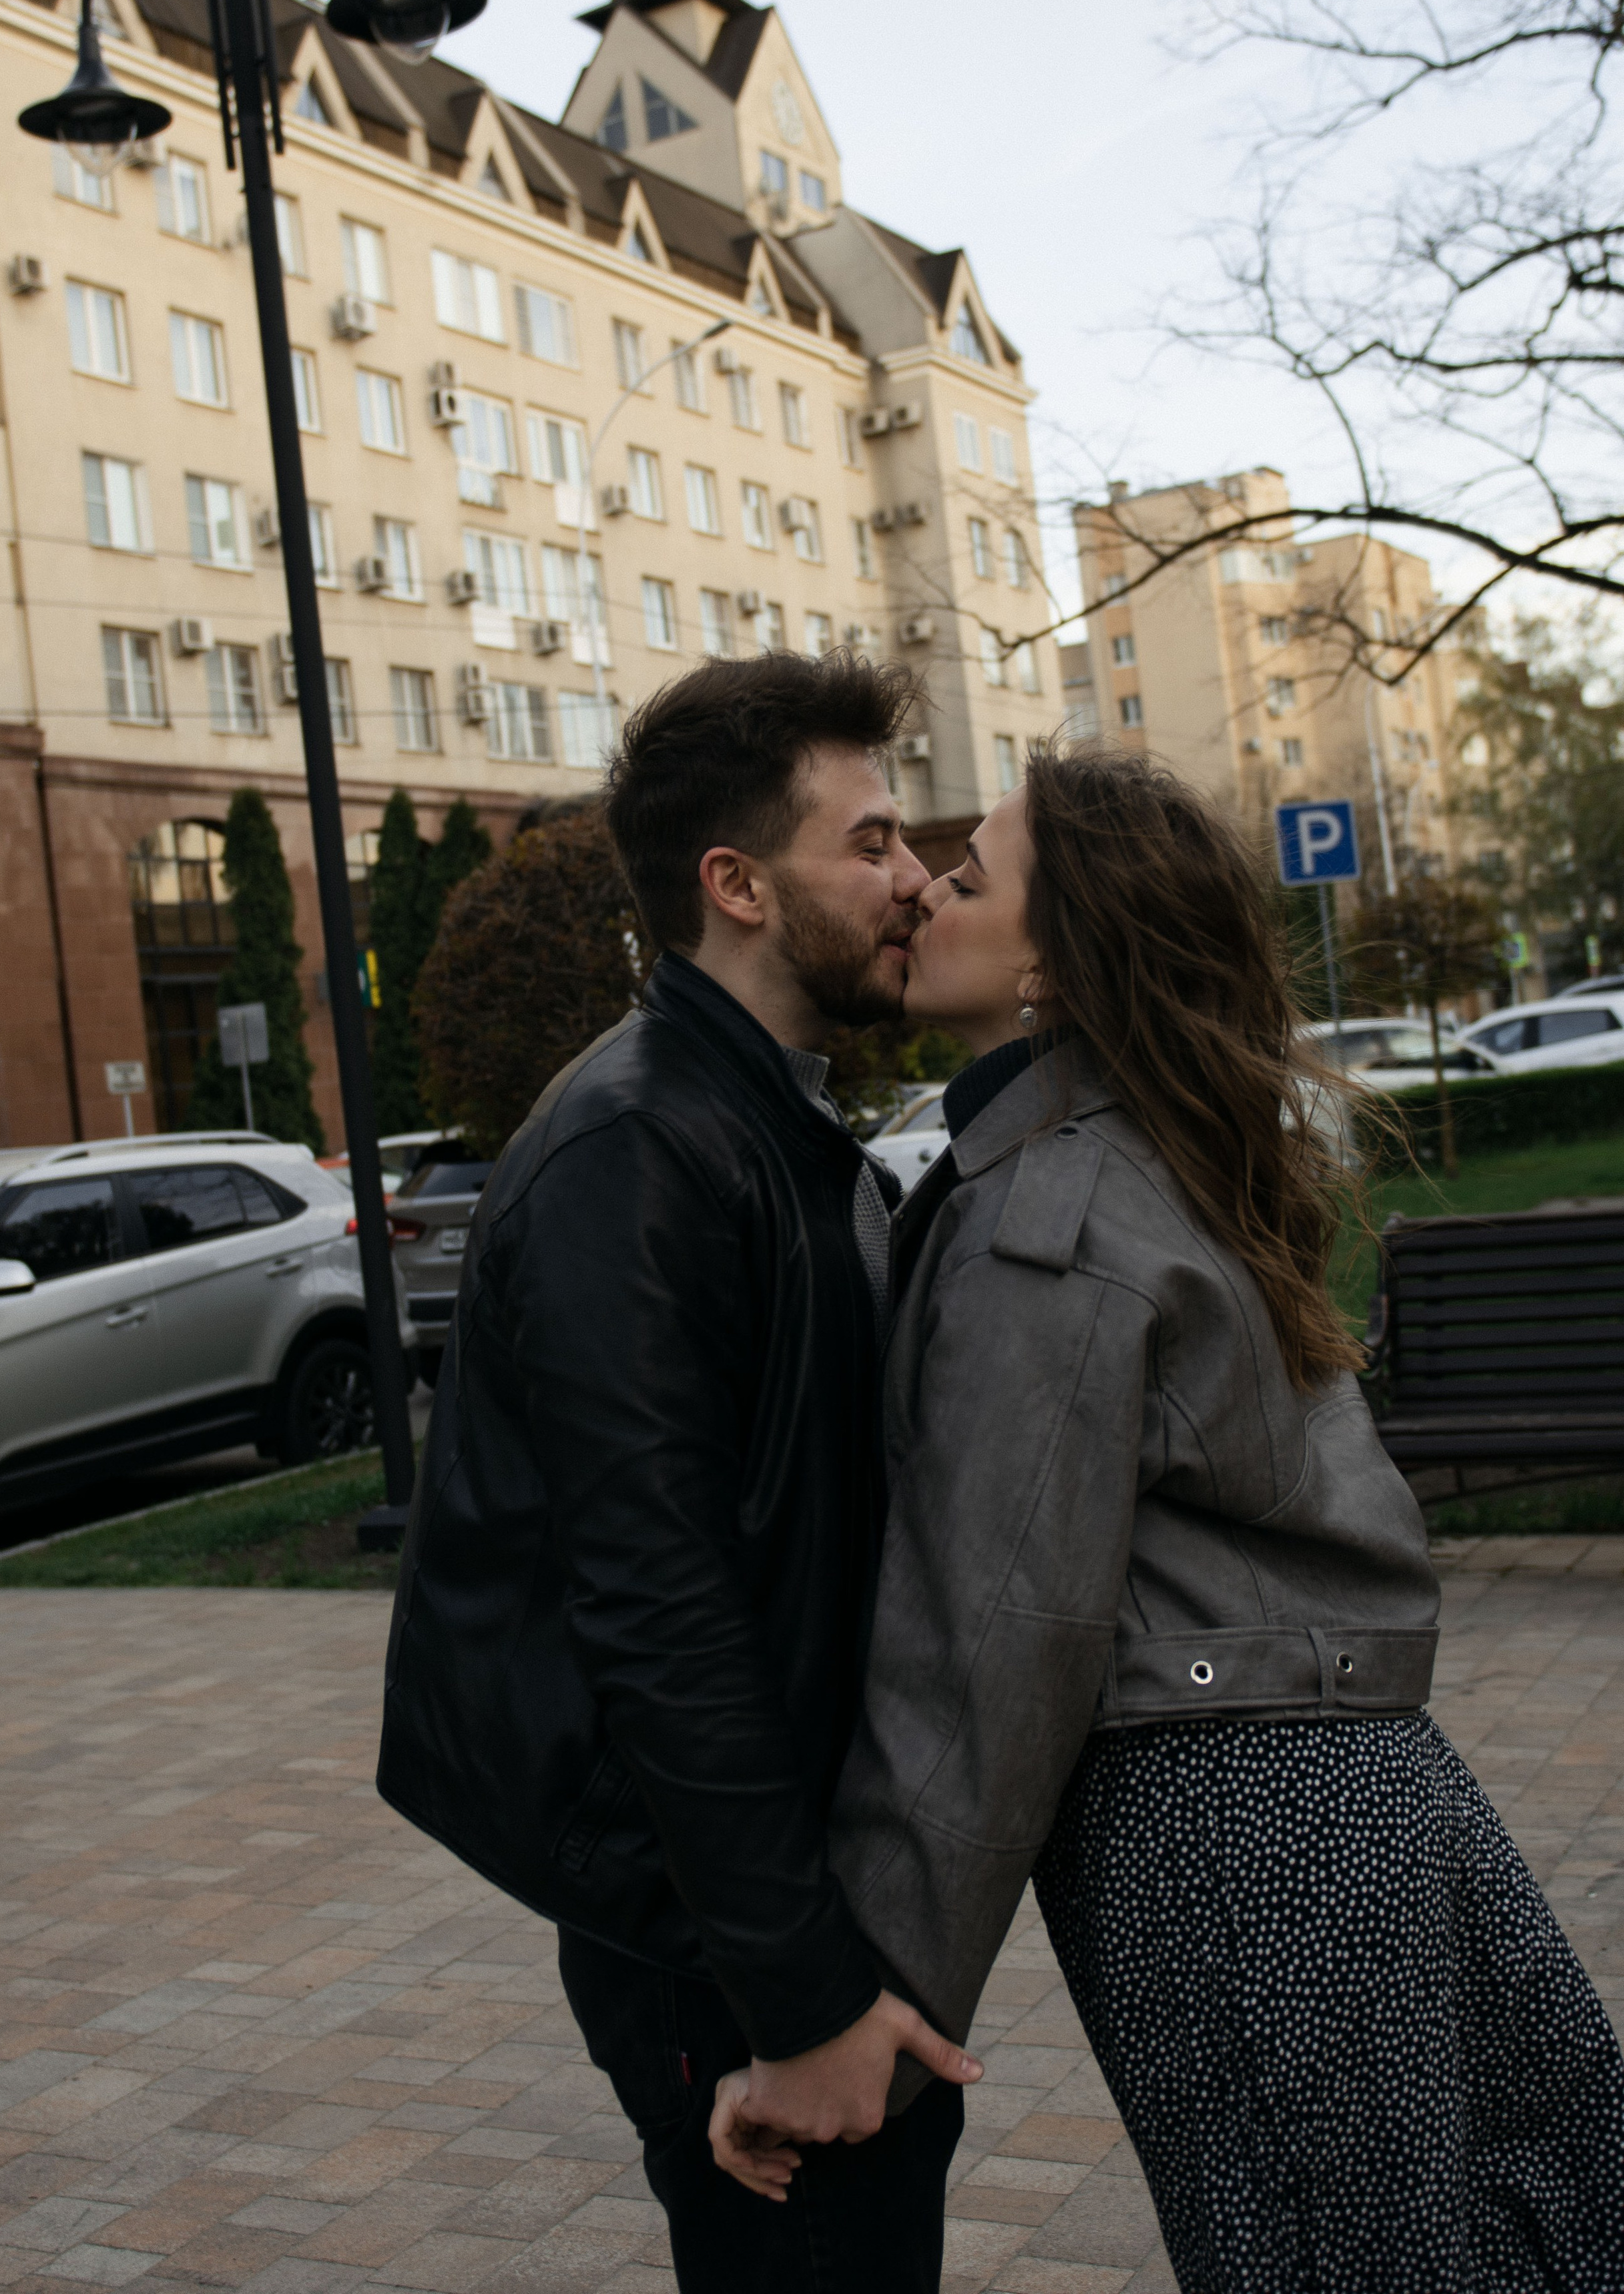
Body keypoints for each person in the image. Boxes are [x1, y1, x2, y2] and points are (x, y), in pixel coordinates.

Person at [713, 744, 1624, 2287]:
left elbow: (988, 1646)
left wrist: (846, 2018)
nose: (927, 888)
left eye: (970, 875)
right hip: (1373, 1802)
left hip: (1228, 1847)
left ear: (1051, 967)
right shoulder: (1154, 1148)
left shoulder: (1048, 1224)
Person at [377, 651, 981, 2294]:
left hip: (784, 1895)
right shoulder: (634, 1151)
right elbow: (656, 1609)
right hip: (721, 1937)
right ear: (734, 885)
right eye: (866, 844)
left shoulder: (759, 1124)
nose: (914, 878)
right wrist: (796, 2000)